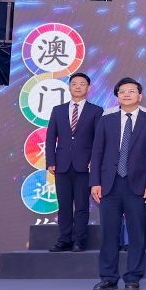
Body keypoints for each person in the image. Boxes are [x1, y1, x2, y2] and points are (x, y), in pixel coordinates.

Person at [89, 78, 146, 290]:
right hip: (109, 184)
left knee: (137, 233)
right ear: (117, 96)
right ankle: (108, 277)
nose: (127, 94)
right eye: (122, 91)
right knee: (108, 233)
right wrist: (95, 182)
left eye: (131, 91)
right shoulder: (106, 120)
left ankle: (133, 277)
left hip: (138, 184)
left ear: (140, 96)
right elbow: (97, 153)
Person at [46, 72, 102, 252]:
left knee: (82, 205)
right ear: (69, 87)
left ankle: (79, 240)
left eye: (82, 84)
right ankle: (64, 239)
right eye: (74, 84)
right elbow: (50, 138)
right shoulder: (58, 110)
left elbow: (99, 139)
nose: (78, 87)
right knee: (64, 205)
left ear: (88, 88)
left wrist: (94, 160)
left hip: (84, 165)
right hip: (61, 164)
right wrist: (50, 160)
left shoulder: (96, 110)